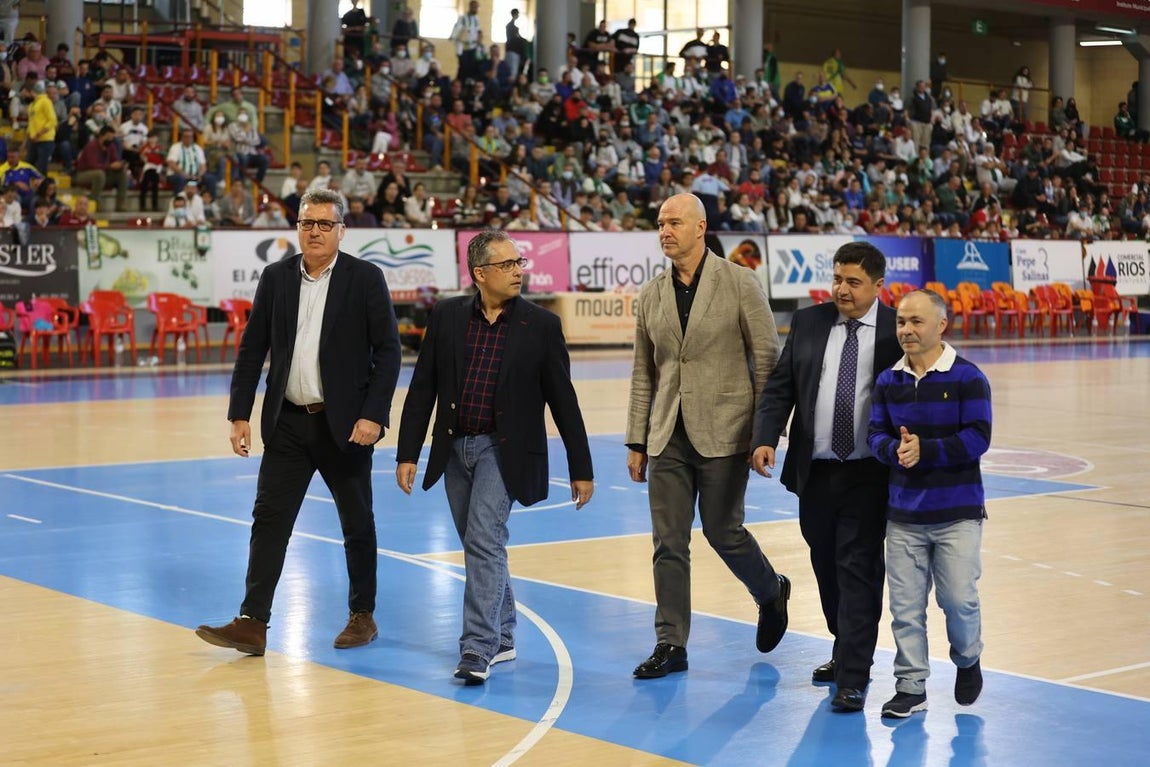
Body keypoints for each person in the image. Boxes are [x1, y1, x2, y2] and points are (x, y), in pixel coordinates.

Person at [194, 189, 402, 657]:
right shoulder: (275, 278)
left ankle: (362, 614)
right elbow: (252, 350)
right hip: (287, 422)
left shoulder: (365, 279)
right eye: (307, 223)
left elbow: (389, 352)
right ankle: (253, 623)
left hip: (345, 426)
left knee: (357, 523)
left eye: (324, 224)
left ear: (341, 230)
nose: (314, 231)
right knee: (268, 520)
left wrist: (374, 414)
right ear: (298, 229)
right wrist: (239, 413)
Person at [395, 229, 594, 685]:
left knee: (484, 540)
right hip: (453, 447)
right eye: (508, 265)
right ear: (480, 273)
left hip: (502, 452)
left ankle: (476, 648)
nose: (519, 271)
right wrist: (408, 452)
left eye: (520, 263)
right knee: (479, 544)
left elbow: (564, 401)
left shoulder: (541, 326)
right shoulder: (446, 317)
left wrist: (581, 468)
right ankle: (504, 635)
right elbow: (422, 386)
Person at [626, 193, 789, 680]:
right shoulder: (650, 295)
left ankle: (770, 590)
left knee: (724, 532)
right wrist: (637, 440)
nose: (665, 231)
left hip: (727, 429)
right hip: (666, 433)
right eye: (659, 223)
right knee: (667, 542)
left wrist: (766, 434)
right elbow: (643, 373)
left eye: (674, 222)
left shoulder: (739, 282)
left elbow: (767, 362)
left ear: (701, 227)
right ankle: (671, 643)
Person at [750, 242, 902, 713]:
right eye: (837, 278)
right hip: (814, 472)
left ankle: (855, 674)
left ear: (878, 286)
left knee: (858, 569)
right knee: (825, 565)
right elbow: (782, 386)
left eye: (853, 281)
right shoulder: (809, 322)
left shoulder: (897, 331)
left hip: (868, 473)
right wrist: (766, 436)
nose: (841, 288)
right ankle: (843, 647)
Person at [867, 289, 991, 718]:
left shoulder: (967, 378)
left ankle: (967, 656)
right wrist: (892, 452)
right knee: (904, 608)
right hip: (903, 515)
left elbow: (978, 437)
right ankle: (911, 685)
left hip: (957, 513)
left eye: (917, 322)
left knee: (958, 600)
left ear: (942, 325)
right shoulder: (889, 380)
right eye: (901, 322)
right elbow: (876, 434)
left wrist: (927, 451)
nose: (906, 330)